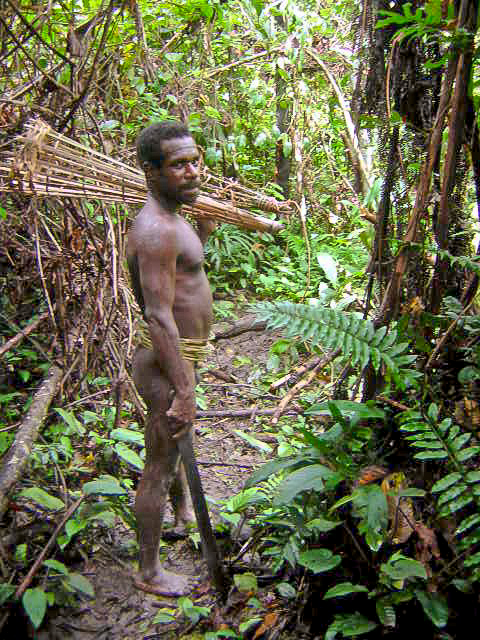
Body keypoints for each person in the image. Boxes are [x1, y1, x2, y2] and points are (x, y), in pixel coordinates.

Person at [127, 121, 216, 596]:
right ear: (150, 170)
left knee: (178, 442)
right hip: (165, 361)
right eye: (179, 164)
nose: (192, 170)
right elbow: (159, 316)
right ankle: (148, 571)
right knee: (159, 463)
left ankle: (184, 514)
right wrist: (183, 388)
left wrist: (203, 231)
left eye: (195, 160)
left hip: (180, 357)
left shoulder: (177, 217)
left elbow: (186, 278)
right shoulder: (156, 229)